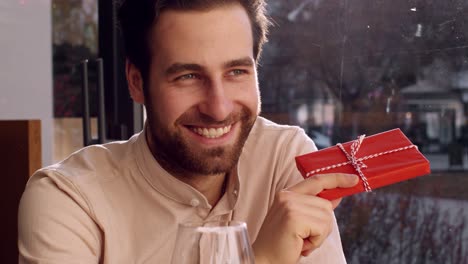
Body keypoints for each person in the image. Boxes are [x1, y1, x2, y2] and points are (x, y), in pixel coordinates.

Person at [18, 0, 359, 263]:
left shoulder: (286, 159)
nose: (219, 108)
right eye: (188, 76)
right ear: (136, 83)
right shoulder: (69, 200)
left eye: (236, 71)